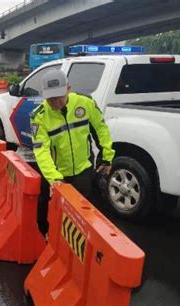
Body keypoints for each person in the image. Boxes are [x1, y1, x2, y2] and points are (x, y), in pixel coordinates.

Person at [30, 70, 115, 232]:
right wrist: (54, 179)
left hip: (84, 170)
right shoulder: (39, 116)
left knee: (84, 214)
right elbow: (41, 151)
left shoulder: (85, 103)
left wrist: (106, 158)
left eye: (59, 96)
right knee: (47, 209)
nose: (56, 102)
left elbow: (101, 129)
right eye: (50, 98)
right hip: (58, 173)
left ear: (68, 88)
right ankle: (47, 237)